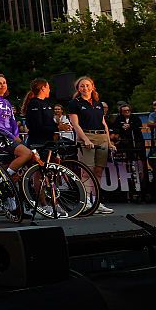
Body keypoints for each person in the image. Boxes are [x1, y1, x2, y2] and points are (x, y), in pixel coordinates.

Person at [66, 76, 115, 214]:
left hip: (101, 137)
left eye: (87, 85)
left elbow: (103, 123)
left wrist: (109, 141)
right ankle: (85, 201)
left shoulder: (98, 103)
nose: (85, 88)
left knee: (99, 171)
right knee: (87, 170)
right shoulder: (74, 103)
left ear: (92, 87)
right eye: (82, 86)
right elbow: (75, 124)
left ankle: (96, 201)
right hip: (86, 136)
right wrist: (85, 139)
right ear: (78, 88)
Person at [0, 74, 32, 208]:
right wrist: (11, 136)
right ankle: (2, 181)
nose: (2, 85)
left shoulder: (7, 102)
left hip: (9, 136)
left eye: (4, 83)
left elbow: (13, 122)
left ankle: (13, 205)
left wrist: (16, 135)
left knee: (13, 167)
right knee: (26, 154)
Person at [22, 78, 58, 145]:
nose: (49, 90)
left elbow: (49, 122)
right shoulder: (34, 103)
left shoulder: (46, 103)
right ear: (43, 88)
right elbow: (36, 126)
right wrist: (57, 128)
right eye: (48, 88)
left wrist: (59, 126)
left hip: (48, 141)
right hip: (38, 143)